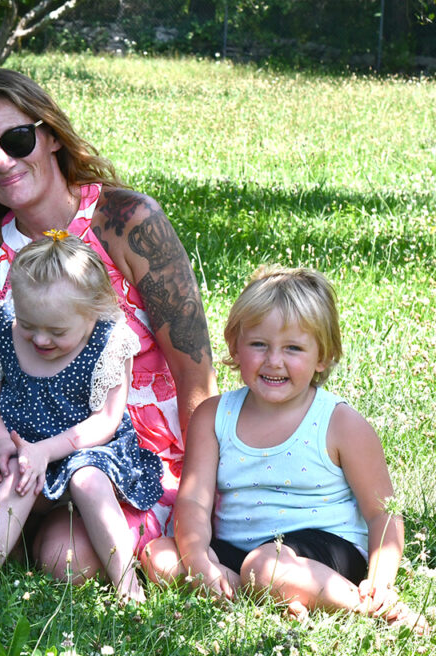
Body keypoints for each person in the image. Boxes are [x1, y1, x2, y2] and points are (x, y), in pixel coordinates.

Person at [0, 68, 217, 581]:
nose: (2, 161)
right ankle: (19, 531)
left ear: (51, 135)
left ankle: (49, 539)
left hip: (120, 458)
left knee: (68, 562)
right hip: (16, 458)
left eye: (17, 140)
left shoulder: (125, 219)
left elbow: (196, 377)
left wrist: (200, 503)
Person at [142, 266, 428, 632]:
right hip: (237, 550)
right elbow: (194, 501)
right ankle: (269, 596)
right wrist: (199, 559)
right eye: (259, 344)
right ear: (234, 346)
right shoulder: (214, 416)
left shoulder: (339, 423)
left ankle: (367, 608)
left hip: (323, 551)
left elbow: (382, 514)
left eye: (293, 348)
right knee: (159, 555)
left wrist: (380, 581)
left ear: (322, 357)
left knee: (267, 567)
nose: (273, 361)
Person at [0, 233, 163, 597]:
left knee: (86, 479)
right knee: (19, 472)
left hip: (87, 449)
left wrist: (49, 449)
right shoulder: (1, 325)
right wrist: (1, 444)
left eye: (57, 332)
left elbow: (106, 420)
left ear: (92, 313)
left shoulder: (109, 340)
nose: (41, 340)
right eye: (28, 326)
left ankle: (127, 583)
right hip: (23, 445)